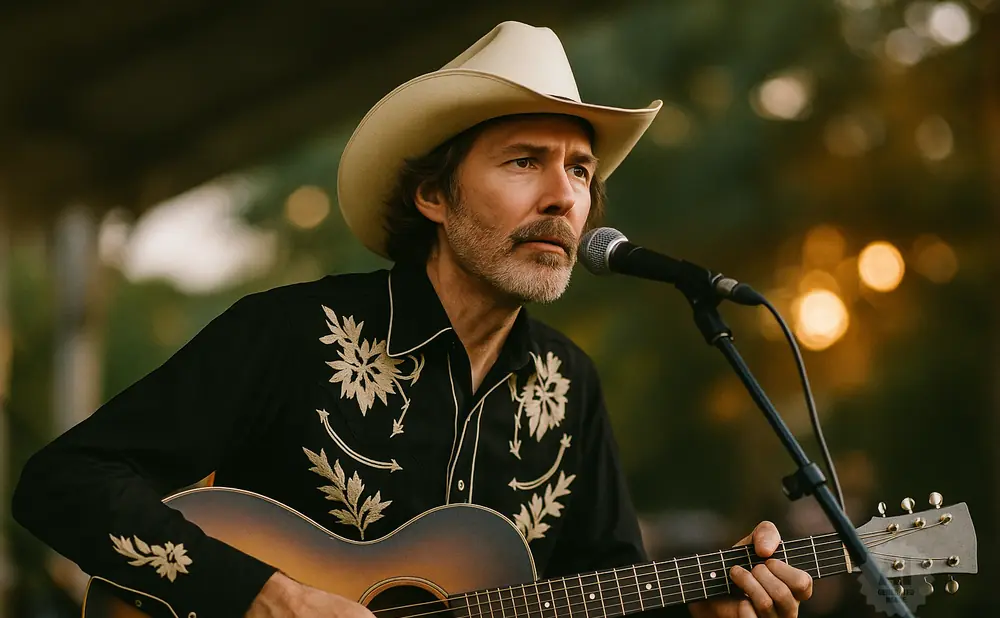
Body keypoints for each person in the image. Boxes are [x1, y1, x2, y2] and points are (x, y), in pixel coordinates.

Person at [12, 21, 813, 618]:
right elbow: (62, 484)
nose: (565, 196)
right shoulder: (293, 334)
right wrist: (269, 595)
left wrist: (707, 607)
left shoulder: (568, 387)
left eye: (580, 169)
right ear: (434, 196)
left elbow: (602, 589)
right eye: (524, 160)